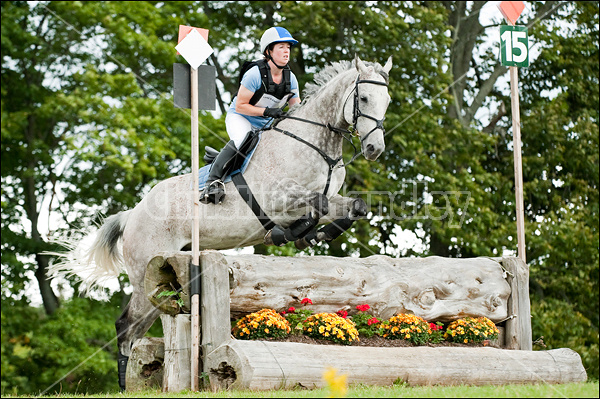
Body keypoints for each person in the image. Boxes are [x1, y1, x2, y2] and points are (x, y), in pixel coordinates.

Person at [200, 26, 301, 204]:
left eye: (288, 47)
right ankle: (212, 182)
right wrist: (267, 111)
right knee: (242, 139)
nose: (286, 52)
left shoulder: (290, 78)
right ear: (268, 51)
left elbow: (296, 108)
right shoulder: (255, 74)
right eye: (281, 47)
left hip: (266, 124)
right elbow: (240, 106)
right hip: (241, 117)